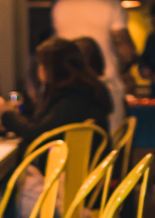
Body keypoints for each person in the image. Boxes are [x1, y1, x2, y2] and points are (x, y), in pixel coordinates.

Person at [0, 37, 112, 151]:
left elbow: (39, 134)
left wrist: (5, 114)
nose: (39, 68)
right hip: (82, 163)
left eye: (41, 63)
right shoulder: (85, 91)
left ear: (53, 68)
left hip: (70, 166)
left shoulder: (73, 99)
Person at [51, 0, 135, 132]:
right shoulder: (110, 5)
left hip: (68, 85)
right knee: (110, 139)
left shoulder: (60, 6)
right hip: (105, 83)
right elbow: (126, 52)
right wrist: (127, 68)